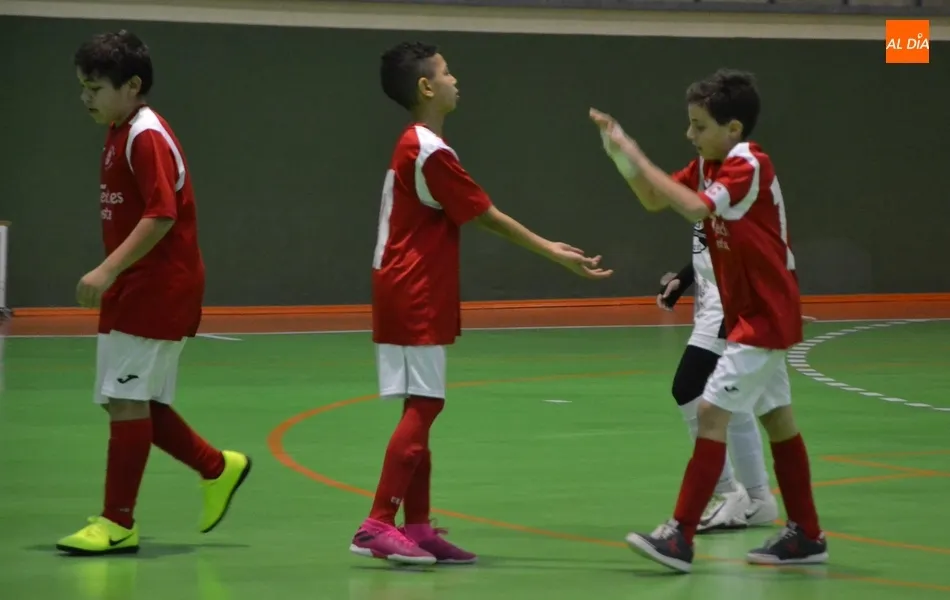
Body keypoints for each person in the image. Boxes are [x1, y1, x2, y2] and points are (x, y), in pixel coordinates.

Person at [350, 41, 613, 566]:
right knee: (425, 405)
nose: (455, 80)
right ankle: (377, 524)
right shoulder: (428, 150)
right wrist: (553, 252)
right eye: (446, 73)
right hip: (413, 290)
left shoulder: (418, 145)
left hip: (414, 287)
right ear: (426, 87)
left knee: (419, 406)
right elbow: (485, 214)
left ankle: (419, 527)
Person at [591, 68, 827, 573]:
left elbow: (695, 209)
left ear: (733, 129)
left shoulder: (747, 164)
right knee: (778, 420)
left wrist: (636, 154)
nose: (690, 135)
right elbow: (656, 198)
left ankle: (680, 535)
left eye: (699, 126)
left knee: (711, 416)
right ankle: (807, 534)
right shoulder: (708, 165)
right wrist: (618, 156)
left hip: (764, 314)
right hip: (748, 311)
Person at [57, 30, 251, 556]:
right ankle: (217, 467)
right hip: (137, 287)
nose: (86, 98)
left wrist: (105, 270)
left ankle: (118, 522)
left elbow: (162, 214)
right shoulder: (118, 131)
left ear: (133, 85)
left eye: (95, 87)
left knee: (125, 400)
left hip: (158, 287)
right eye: (83, 88)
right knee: (132, 400)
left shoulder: (146, 135)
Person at [656, 235, 779, 534]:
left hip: (730, 303)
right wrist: (684, 279)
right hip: (716, 299)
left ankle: (727, 492)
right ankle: (758, 498)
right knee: (732, 401)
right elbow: (709, 243)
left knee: (688, 387)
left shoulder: (733, 191)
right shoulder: (711, 191)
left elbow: (751, 244)